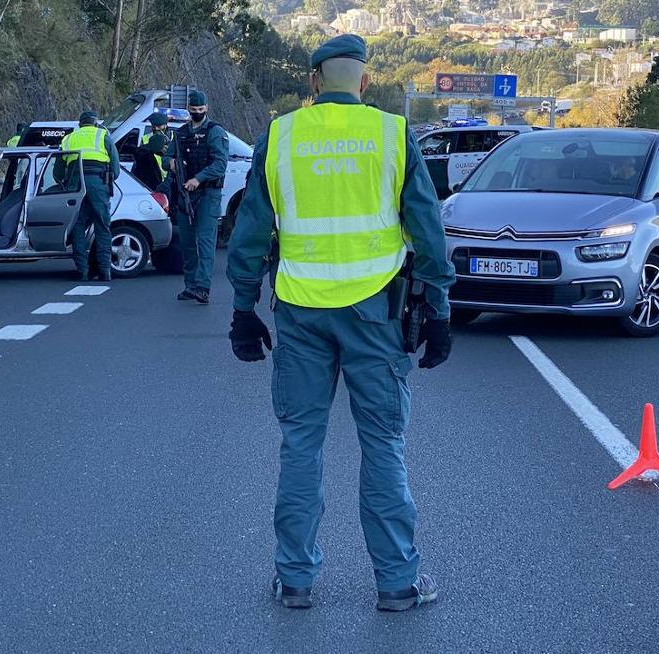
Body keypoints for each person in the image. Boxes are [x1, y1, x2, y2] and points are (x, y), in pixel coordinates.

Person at [226, 34, 456, 611]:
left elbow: (252, 231)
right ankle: (398, 583)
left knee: (301, 444)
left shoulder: (279, 137)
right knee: (383, 446)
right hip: (376, 312)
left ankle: (295, 580)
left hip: (300, 312)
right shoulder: (392, 134)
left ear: (312, 82)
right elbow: (427, 230)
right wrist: (439, 311)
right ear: (364, 82)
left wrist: (241, 309)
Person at [166, 90, 228, 304]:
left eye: (200, 110)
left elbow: (220, 165)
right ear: (188, 110)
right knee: (187, 242)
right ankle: (190, 285)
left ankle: (203, 287)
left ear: (207, 109)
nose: (197, 113)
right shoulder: (181, 133)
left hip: (208, 193)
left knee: (205, 241)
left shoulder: (215, 132)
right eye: (193, 111)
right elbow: (167, 155)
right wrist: (171, 163)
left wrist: (199, 179)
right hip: (185, 194)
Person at [59, 111, 119, 281]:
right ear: (95, 123)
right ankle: (105, 271)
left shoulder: (68, 139)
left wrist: (65, 184)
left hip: (75, 185)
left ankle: (82, 271)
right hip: (98, 184)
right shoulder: (103, 136)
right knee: (102, 226)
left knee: (77, 225)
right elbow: (116, 169)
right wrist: (107, 181)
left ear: (80, 124)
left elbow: (57, 171)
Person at [131, 112, 170, 190]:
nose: (156, 128)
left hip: (170, 181)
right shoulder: (146, 139)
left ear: (165, 125)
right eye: (153, 126)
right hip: (153, 182)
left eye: (159, 126)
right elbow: (139, 157)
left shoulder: (173, 137)